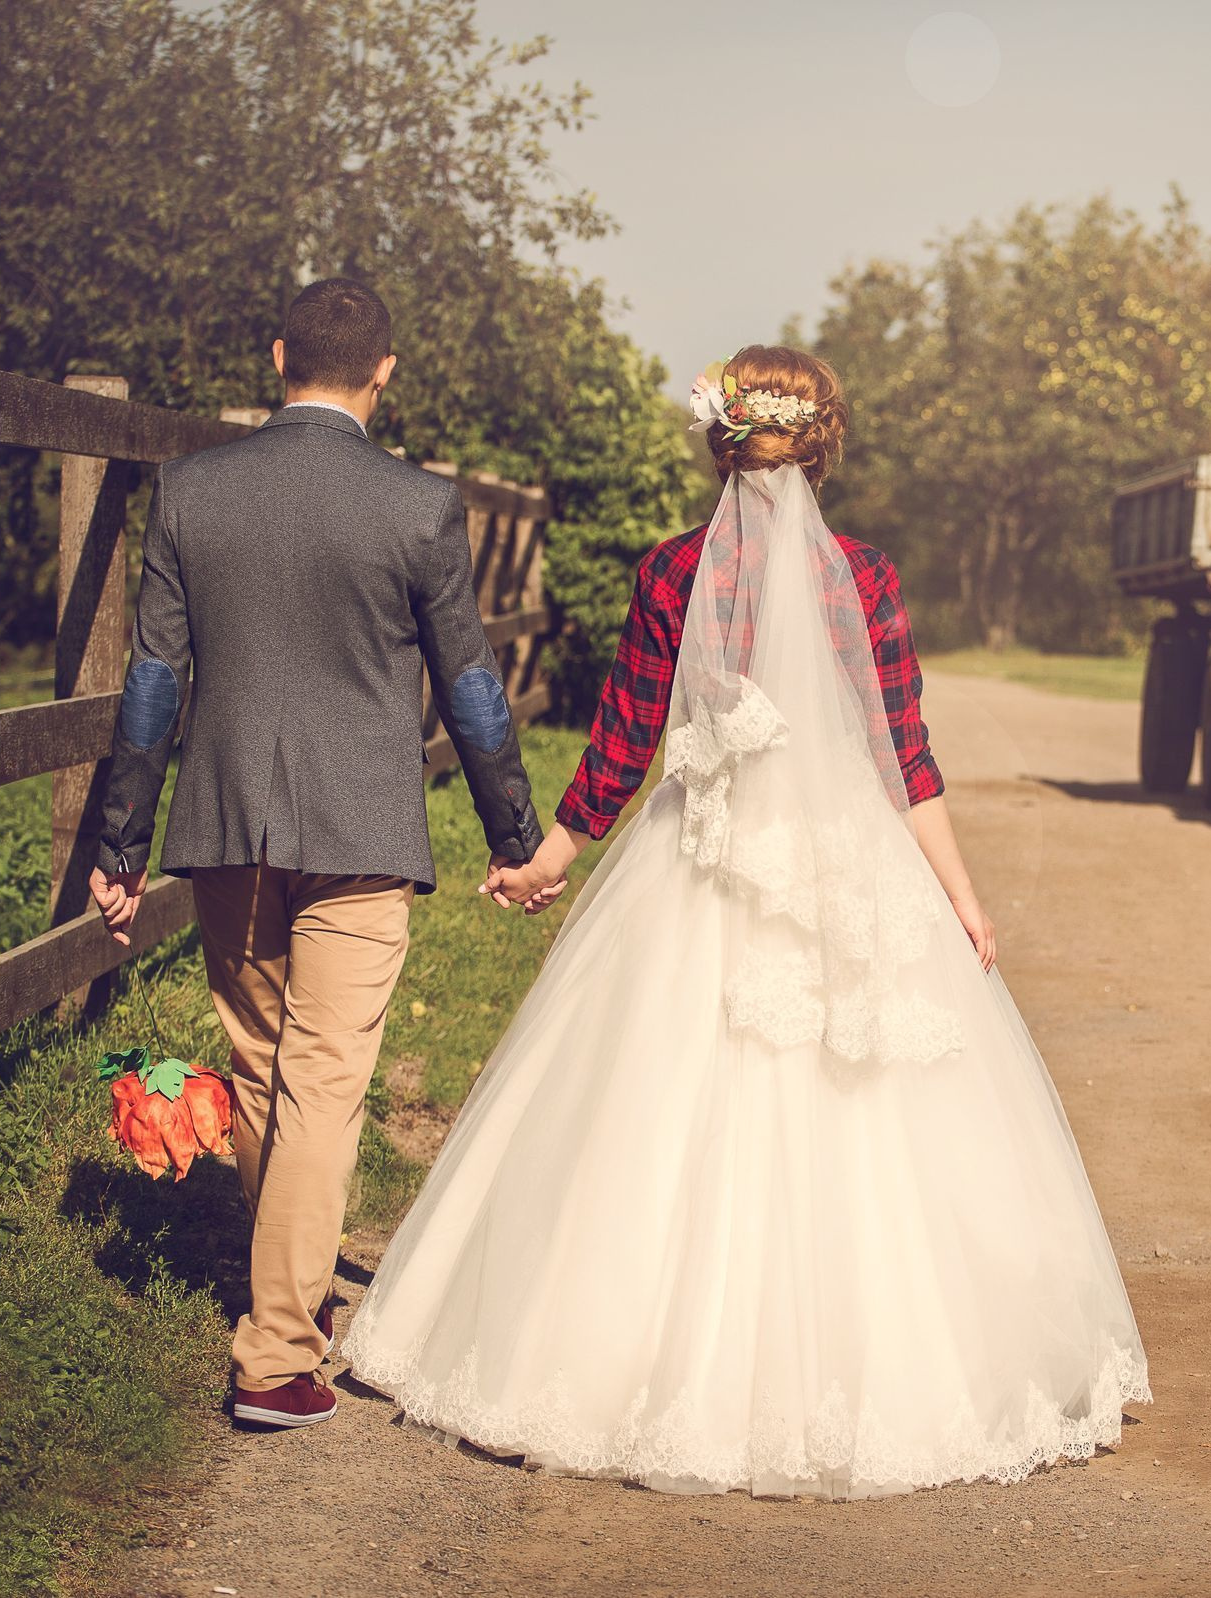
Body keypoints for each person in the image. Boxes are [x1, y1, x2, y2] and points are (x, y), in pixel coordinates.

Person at [341, 345, 1150, 1498]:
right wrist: (959, 897)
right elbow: (902, 753)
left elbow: (623, 737)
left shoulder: (675, 570)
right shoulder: (863, 575)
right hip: (841, 860)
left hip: (704, 852)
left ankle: (610, 1358)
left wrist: (549, 857)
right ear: (822, 441)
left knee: (653, 1099)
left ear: (720, 436)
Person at [86, 278, 543, 1430]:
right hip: (360, 830)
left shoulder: (192, 490)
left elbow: (153, 679)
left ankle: (288, 1300)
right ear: (384, 370)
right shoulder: (421, 506)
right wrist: (516, 835)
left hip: (228, 822)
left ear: (278, 352)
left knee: (262, 1068)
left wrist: (119, 840)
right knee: (324, 1081)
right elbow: (472, 688)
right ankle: (277, 1350)